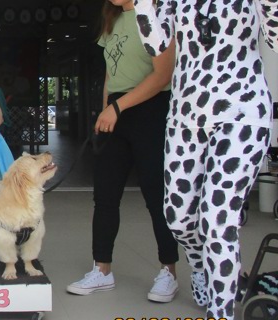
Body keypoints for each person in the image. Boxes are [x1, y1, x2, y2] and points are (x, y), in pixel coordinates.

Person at [133, 0, 278, 318]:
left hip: (242, 111)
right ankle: (201, 264)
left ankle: (221, 310)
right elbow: (156, 45)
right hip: (186, 115)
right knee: (178, 217)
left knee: (216, 219)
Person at [65, 0, 179, 303]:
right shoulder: (112, 20)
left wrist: (117, 107)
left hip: (151, 110)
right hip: (115, 111)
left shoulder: (157, 17)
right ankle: (102, 270)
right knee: (104, 196)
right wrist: (105, 111)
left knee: (157, 196)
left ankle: (169, 270)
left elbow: (163, 75)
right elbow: (110, 74)